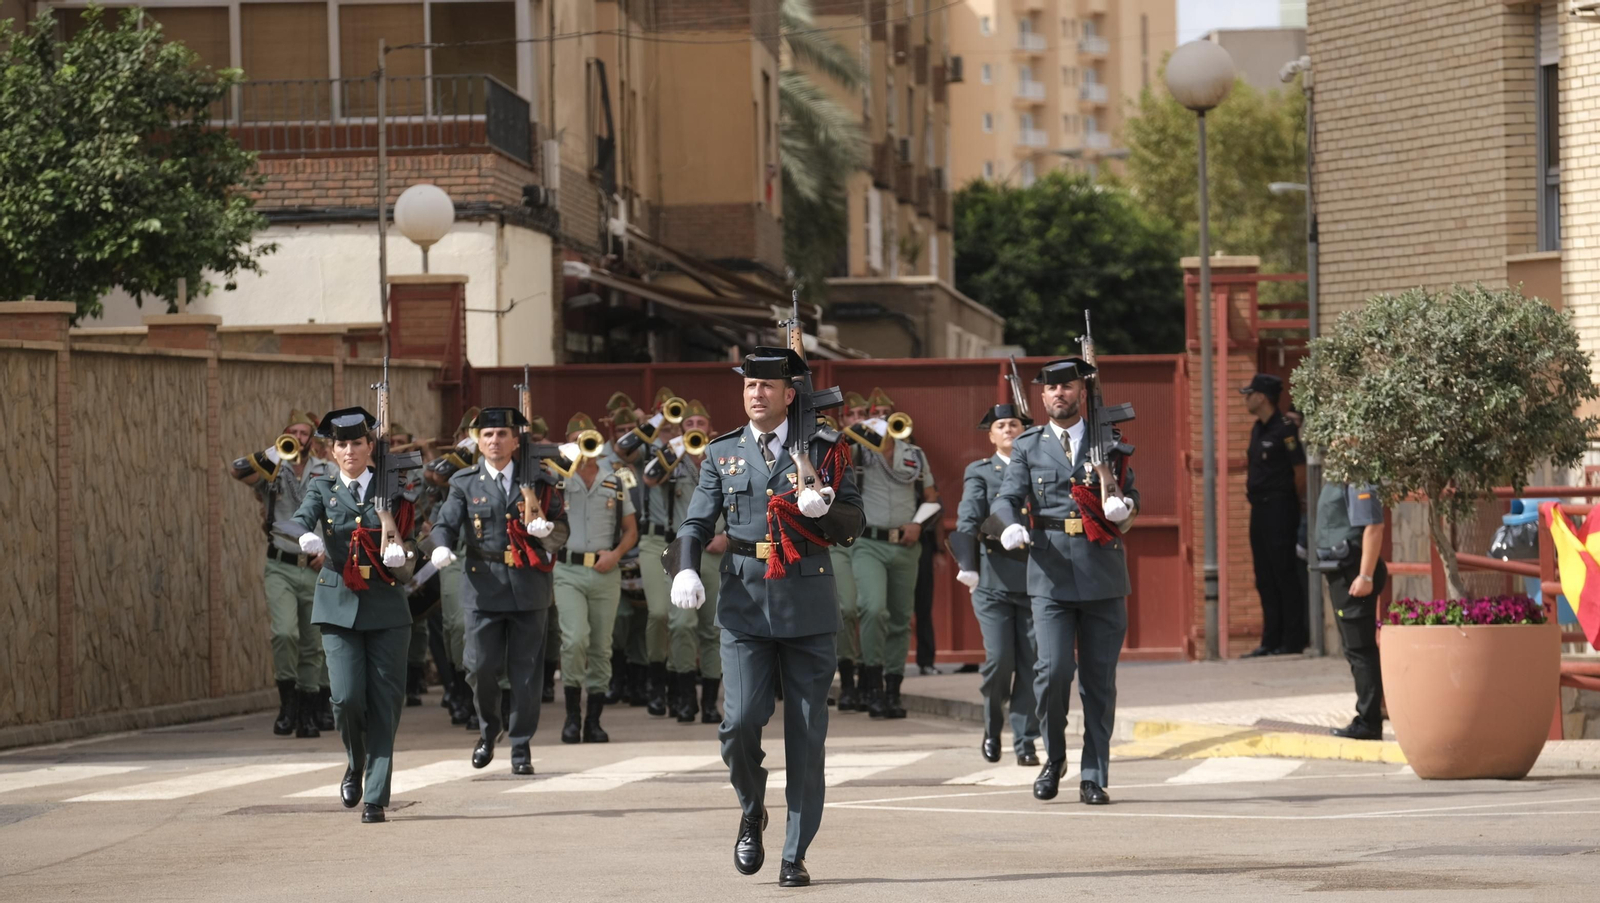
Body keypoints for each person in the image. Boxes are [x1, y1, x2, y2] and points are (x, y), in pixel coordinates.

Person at [665, 346, 864, 887]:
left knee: (806, 734)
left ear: (789, 394)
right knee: (739, 724)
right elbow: (695, 524)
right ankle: (752, 808)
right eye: (750, 385)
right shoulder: (723, 452)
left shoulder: (825, 449)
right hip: (745, 603)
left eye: (767, 387)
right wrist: (684, 568)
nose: (756, 394)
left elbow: (853, 521)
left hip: (806, 601)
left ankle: (794, 852)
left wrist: (823, 508)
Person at [994, 357, 1138, 806]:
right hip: (1050, 571)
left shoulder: (1110, 441)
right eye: (1051, 389)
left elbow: (1133, 496)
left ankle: (1093, 773)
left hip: (1102, 571)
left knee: (1099, 681)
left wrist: (1124, 507)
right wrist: (1008, 526)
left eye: (1068, 386)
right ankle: (1054, 758)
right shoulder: (1029, 445)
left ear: (1082, 392)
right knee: (1053, 672)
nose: (1059, 394)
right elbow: (1006, 498)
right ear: (1041, 397)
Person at [291, 407, 421, 824]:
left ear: (371, 447)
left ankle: (377, 796)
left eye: (357, 443)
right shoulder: (322, 485)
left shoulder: (395, 488)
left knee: (386, 702)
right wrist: (306, 536)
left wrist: (403, 550)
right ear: (332, 450)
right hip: (339, 603)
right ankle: (355, 760)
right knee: (346, 698)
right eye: (341, 444)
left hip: (386, 604)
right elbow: (300, 519)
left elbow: (411, 536)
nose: (350, 451)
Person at [428, 408, 567, 775]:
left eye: (502, 434)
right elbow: (446, 523)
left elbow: (561, 533)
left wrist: (546, 532)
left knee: (525, 674)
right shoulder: (464, 482)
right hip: (482, 584)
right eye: (488, 434)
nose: (495, 441)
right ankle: (490, 730)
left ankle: (521, 747)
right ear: (477, 440)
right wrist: (440, 546)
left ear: (516, 440)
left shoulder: (540, 479)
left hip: (528, 585)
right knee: (479, 667)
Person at [231, 409, 338, 738]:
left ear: (313, 439)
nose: (299, 438)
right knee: (284, 634)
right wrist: (276, 451)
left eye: (304, 433)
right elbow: (238, 470)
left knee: (313, 643)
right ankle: (287, 704)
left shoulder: (328, 471)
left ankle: (308, 710)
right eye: (293, 432)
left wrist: (331, 554)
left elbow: (341, 515)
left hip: (316, 566)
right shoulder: (273, 468)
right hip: (281, 564)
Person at [951, 403, 1041, 767]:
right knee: (1000, 660)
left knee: (1034, 663)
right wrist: (968, 565)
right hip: (994, 580)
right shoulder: (982, 471)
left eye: (1014, 424)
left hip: (1037, 579)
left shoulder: (1040, 465)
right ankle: (992, 726)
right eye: (1001, 426)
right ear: (991, 435)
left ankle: (1026, 740)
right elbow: (969, 517)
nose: (1008, 430)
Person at [845, 396, 939, 719]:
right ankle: (870, 685)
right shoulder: (858, 451)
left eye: (887, 416)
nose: (883, 421)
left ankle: (892, 690)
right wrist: (855, 433)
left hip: (905, 544)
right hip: (868, 542)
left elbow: (931, 497)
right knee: (872, 608)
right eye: (875, 416)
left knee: (901, 618)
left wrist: (918, 523)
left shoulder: (914, 455)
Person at [553, 412, 638, 743]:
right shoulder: (558, 478)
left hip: (605, 571)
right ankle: (572, 716)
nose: (583, 447)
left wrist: (615, 554)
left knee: (602, 646)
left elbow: (631, 530)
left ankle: (594, 720)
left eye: (587, 441)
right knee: (574, 640)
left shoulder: (615, 478)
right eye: (576, 441)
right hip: (568, 569)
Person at [642, 399, 727, 723]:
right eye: (687, 426)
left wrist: (728, 535)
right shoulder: (670, 459)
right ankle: (683, 696)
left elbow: (738, 500)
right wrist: (675, 447)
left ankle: (708, 701)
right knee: (681, 624)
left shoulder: (721, 457)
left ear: (710, 429)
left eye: (699, 425)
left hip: (713, 549)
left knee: (711, 628)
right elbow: (650, 478)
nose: (694, 430)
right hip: (680, 552)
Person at [1240, 373, 1308, 657]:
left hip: (1281, 507)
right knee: (1264, 574)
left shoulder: (1285, 430)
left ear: (1262, 397)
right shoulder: (1259, 428)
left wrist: (1297, 502)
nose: (1246, 398)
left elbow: (1300, 472)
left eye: (1250, 393)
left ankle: (1292, 640)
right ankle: (1271, 639)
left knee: (1284, 572)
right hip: (1259, 509)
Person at [1316, 482, 1388, 740]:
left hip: (1354, 574)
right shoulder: (1344, 474)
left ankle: (1369, 721)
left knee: (1360, 649)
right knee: (1353, 649)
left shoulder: (1359, 477)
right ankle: (1366, 717)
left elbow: (1374, 526)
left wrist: (1365, 576)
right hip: (1343, 573)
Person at [830, 394, 869, 711]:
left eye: (862, 414)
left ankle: (870, 679)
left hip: (869, 540)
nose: (857, 419)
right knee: (847, 608)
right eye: (851, 415)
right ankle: (848, 678)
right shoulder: (837, 445)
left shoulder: (879, 445)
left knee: (872, 609)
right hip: (840, 539)